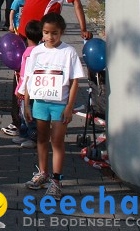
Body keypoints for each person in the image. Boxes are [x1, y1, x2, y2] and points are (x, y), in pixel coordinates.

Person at [22, 12, 86, 198]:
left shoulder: (68, 52)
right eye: (46, 32)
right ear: (42, 32)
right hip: (40, 102)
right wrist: (26, 104)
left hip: (59, 104)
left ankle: (56, 180)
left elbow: (75, 81)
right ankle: (43, 173)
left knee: (57, 141)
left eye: (54, 33)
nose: (50, 37)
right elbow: (29, 78)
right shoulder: (36, 51)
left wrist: (69, 107)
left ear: (62, 32)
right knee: (41, 138)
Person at [7, 20, 42, 148]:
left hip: (26, 88)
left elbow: (27, 74)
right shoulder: (37, 50)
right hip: (24, 87)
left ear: (26, 35)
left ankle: (32, 137)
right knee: (23, 114)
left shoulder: (30, 52)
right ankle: (23, 134)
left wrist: (20, 89)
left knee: (28, 114)